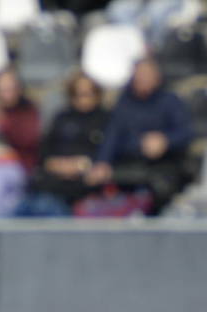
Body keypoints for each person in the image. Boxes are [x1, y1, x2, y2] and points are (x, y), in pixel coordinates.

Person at [88, 58, 193, 212]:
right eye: (140, 75)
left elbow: (186, 133)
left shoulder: (170, 101)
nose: (143, 79)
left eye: (148, 75)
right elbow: (113, 136)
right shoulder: (124, 103)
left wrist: (165, 141)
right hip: (130, 163)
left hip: (163, 166)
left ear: (157, 77)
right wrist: (103, 161)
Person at [23, 72, 108, 215]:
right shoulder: (61, 118)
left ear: (97, 95)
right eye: (77, 94)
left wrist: (82, 165)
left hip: (87, 185)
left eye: (87, 94)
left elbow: (107, 154)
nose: (82, 99)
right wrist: (58, 165)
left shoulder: (106, 120)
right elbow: (45, 153)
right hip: (55, 182)